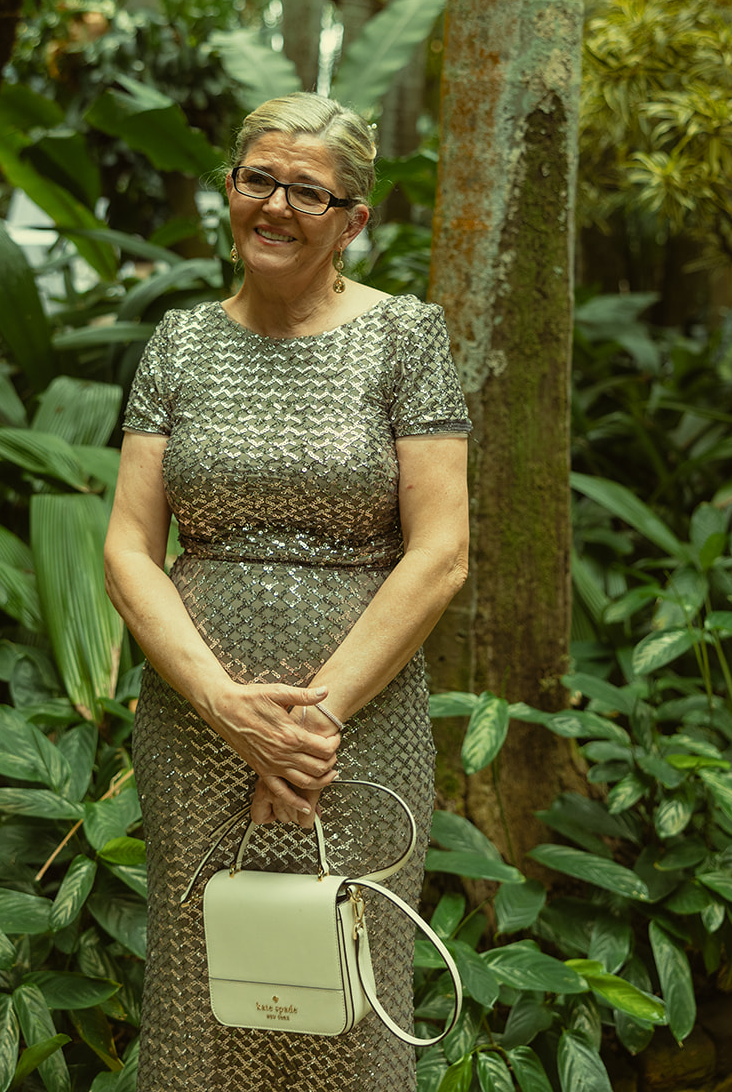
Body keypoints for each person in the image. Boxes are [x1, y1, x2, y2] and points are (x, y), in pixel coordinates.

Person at [104, 92, 471, 1092]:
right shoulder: (178, 343)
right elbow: (129, 549)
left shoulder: (406, 338)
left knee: (345, 1000)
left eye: (304, 190)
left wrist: (306, 726)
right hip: (194, 728)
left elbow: (438, 552)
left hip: (357, 730)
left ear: (352, 218)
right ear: (228, 187)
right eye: (255, 178)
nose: (272, 205)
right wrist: (229, 711)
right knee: (201, 992)